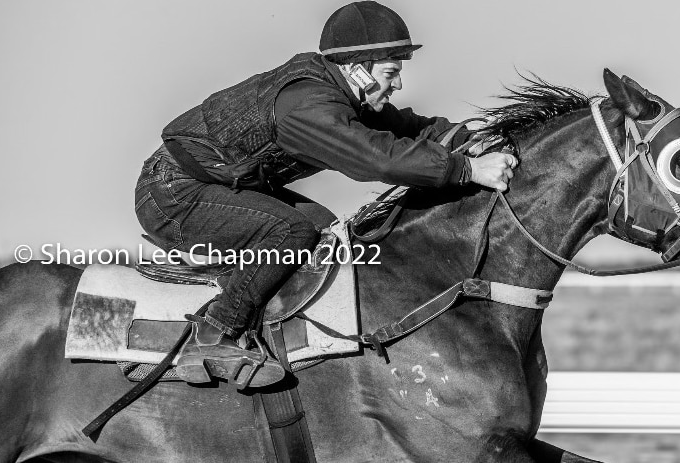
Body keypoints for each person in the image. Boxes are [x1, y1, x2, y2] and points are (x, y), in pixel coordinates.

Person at [133, 1, 517, 389]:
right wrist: (466, 170)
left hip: (211, 186)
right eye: (391, 72)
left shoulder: (339, 91)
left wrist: (475, 142)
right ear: (357, 68)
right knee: (293, 233)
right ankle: (216, 335)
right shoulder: (307, 106)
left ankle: (274, 333)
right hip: (172, 194)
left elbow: (411, 130)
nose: (398, 84)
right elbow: (378, 161)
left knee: (325, 230)